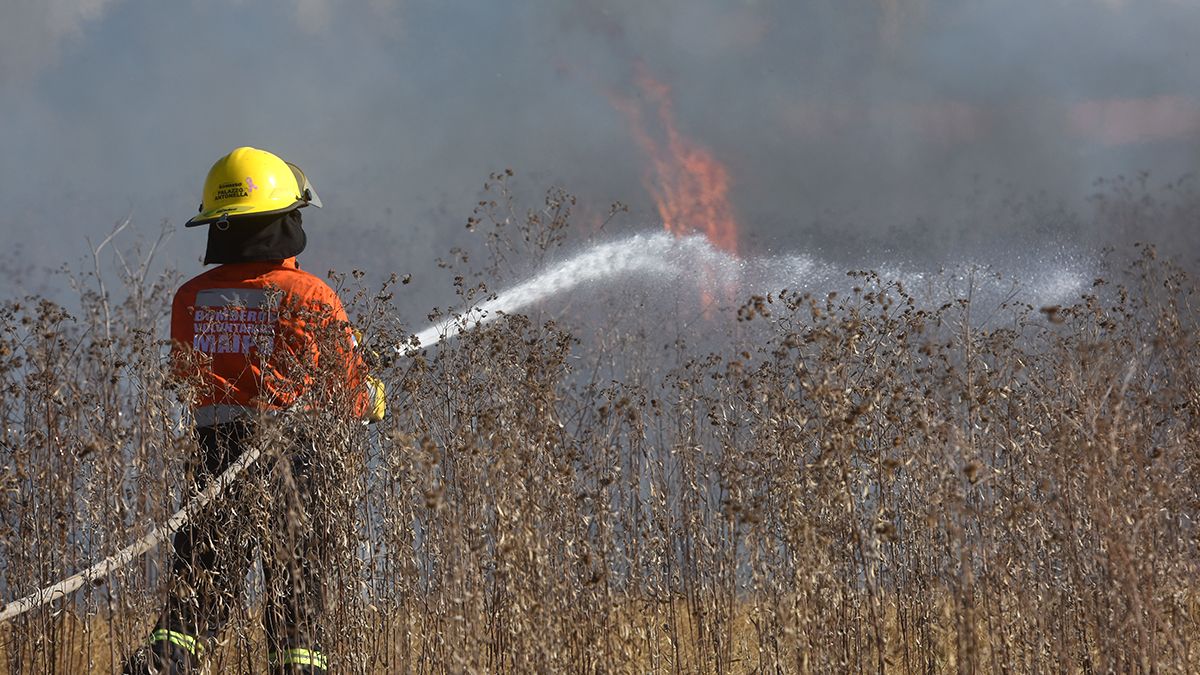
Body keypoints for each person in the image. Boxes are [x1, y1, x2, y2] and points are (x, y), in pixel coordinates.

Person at [122, 147, 384, 674]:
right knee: (298, 603)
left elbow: (186, 376)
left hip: (214, 463)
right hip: (299, 465)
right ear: (284, 221)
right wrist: (373, 391)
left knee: (195, 599)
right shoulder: (311, 294)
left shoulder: (189, 297)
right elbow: (350, 397)